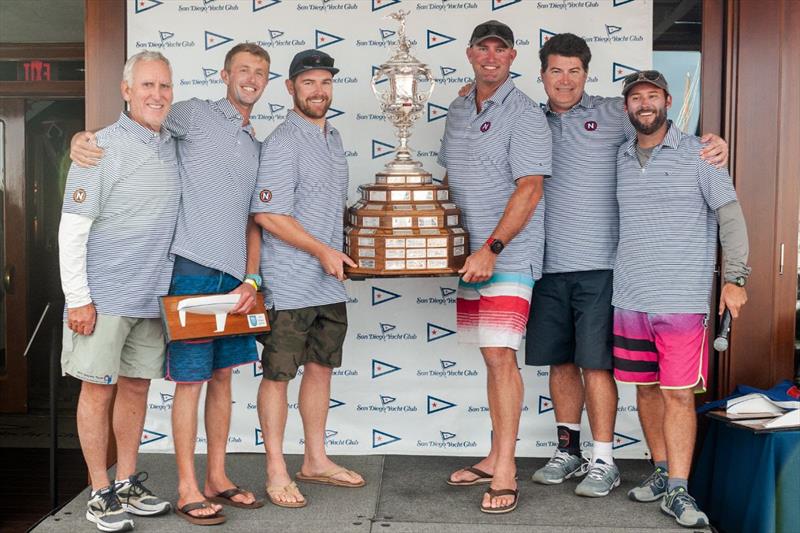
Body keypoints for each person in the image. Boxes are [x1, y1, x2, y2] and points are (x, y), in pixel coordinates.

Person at [70, 42, 271, 525]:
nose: (250, 78)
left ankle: (214, 477)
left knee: (217, 379)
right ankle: (183, 487)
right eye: (242, 69)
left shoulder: (254, 142)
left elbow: (254, 217)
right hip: (188, 270)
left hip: (226, 277)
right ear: (224, 74)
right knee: (187, 381)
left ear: (268, 81)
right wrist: (79, 138)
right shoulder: (192, 115)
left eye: (259, 72)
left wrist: (252, 274)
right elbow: (134, 123)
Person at [525, 33, 729, 498]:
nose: (565, 79)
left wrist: (712, 146)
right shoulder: (527, 118)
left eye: (574, 70)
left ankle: (604, 459)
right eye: (556, 70)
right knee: (560, 363)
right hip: (545, 261)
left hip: (603, 266)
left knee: (595, 366)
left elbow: (656, 126)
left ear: (586, 74)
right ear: (542, 75)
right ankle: (568, 450)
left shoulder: (611, 113)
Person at [614, 70, 749, 528]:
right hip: (629, 296)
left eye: (652, 96)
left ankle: (678, 488)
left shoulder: (699, 155)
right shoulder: (619, 156)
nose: (644, 104)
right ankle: (658, 471)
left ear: (667, 101)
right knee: (646, 389)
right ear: (626, 106)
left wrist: (736, 278)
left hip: (682, 301)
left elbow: (730, 218)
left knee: (676, 394)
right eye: (636, 98)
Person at [59, 50, 178, 532]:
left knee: (135, 387)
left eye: (164, 87)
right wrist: (77, 298)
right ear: (126, 91)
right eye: (147, 86)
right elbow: (72, 230)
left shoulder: (174, 140)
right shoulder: (97, 148)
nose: (157, 95)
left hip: (151, 296)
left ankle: (127, 482)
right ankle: (99, 492)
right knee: (96, 389)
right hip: (102, 298)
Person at [439, 21, 552, 514]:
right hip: (471, 258)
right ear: (469, 54)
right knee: (491, 356)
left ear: (512, 56)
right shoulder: (460, 106)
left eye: (499, 49)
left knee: (501, 357)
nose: (490, 56)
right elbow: (450, 175)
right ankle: (493, 455)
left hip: (505, 255)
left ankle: (505, 468)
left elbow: (530, 188)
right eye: (482, 48)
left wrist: (492, 247)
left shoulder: (525, 114)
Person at [251, 49, 364, 509]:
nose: (318, 91)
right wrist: (321, 250)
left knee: (321, 368)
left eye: (325, 82)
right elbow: (267, 213)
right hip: (289, 282)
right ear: (291, 88)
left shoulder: (333, 137)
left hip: (327, 283)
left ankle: (315, 459)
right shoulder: (283, 141)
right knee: (279, 374)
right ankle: (277, 468)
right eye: (308, 83)